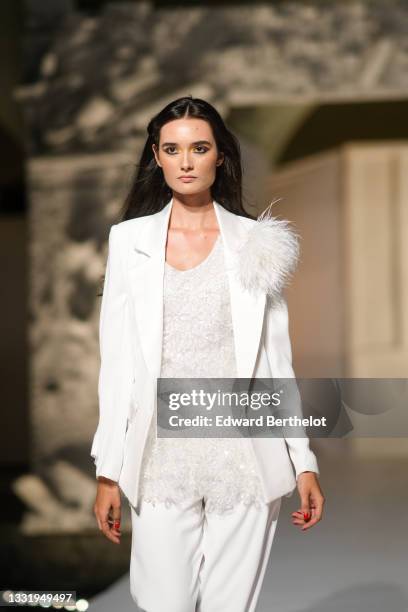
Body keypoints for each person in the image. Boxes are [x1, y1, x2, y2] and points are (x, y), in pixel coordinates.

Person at [92, 95, 325, 612]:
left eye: (200, 147)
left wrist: (302, 460)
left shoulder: (256, 242)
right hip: (160, 455)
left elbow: (274, 363)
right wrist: (109, 469)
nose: (187, 161)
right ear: (156, 155)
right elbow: (119, 365)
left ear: (221, 155)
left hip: (243, 450)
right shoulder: (130, 242)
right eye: (173, 149)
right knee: (161, 603)